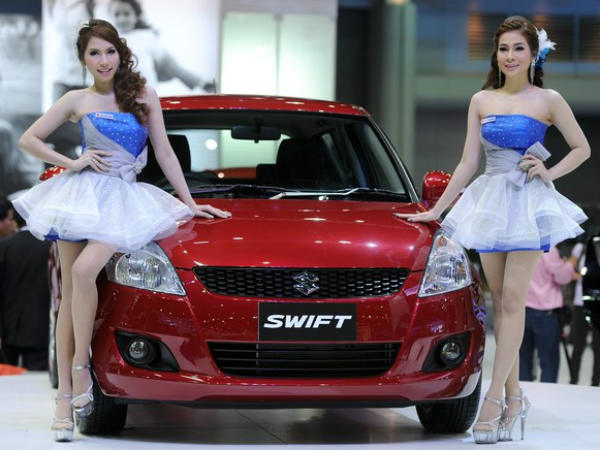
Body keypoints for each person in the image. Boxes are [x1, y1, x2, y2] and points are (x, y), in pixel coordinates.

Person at [11, 19, 230, 442]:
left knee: (83, 272)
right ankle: (64, 402)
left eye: (109, 51)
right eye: (94, 53)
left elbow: (164, 151)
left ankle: (81, 369)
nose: (103, 60)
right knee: (70, 296)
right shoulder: (76, 99)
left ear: (120, 52)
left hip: (123, 200)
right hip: (79, 196)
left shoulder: (143, 94)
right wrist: (72, 162)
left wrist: (189, 202)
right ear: (83, 59)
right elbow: (29, 139)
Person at [395, 16, 590, 444]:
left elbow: (583, 148)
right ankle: (516, 396)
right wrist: (437, 210)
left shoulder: (549, 99)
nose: (510, 56)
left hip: (527, 201)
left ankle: (493, 400)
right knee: (499, 304)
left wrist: (548, 171)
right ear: (496, 54)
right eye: (504, 49)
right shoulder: (481, 99)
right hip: (489, 201)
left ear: (534, 54)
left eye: (518, 48)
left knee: (514, 302)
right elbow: (468, 162)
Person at [108, 0, 217, 93]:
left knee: (169, 62)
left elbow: (167, 64)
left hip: (146, 89)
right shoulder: (111, 38)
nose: (122, 19)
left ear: (136, 16)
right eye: (117, 15)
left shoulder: (146, 36)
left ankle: (201, 83)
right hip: (120, 90)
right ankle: (201, 83)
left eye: (126, 14)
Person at [0, 209, 52, 371]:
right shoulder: (52, 247)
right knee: (38, 380)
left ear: (15, 220)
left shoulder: (4, 246)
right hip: (42, 329)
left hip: (8, 328)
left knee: (6, 378)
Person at [519, 246, 578, 383]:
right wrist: (570, 263)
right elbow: (562, 277)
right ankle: (547, 395)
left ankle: (522, 392)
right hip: (546, 313)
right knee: (549, 362)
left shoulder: (520, 245)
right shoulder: (548, 249)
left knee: (523, 360)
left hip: (522, 311)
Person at [570, 239, 600, 386]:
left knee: (598, 347)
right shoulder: (581, 248)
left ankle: (595, 383)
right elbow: (569, 271)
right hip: (580, 304)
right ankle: (573, 380)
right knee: (578, 345)